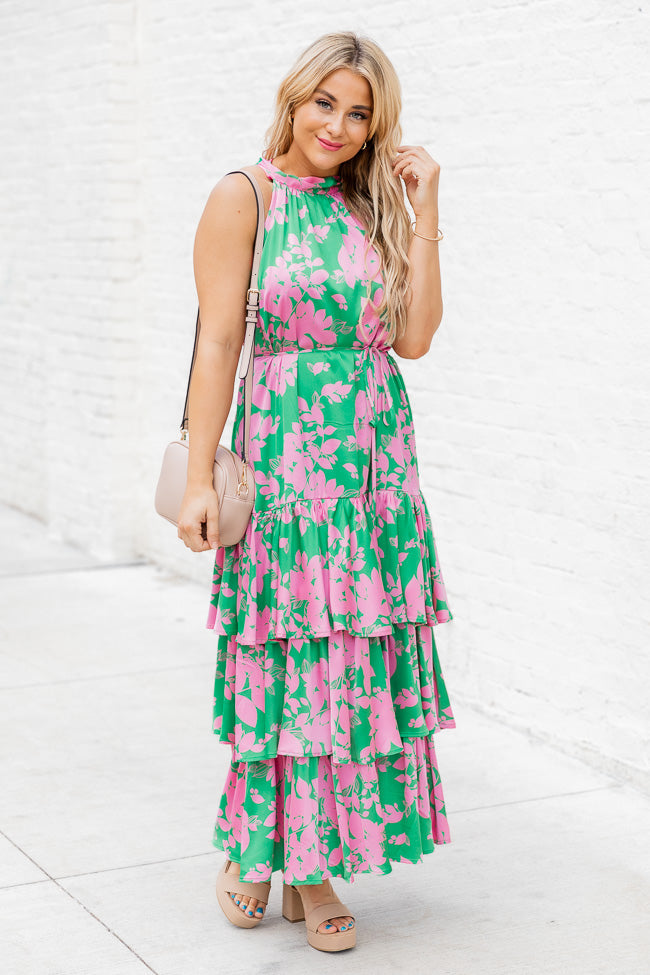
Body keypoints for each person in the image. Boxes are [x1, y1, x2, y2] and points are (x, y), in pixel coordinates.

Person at [177, 29, 456, 953]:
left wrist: (425, 210)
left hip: (372, 470)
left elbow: (411, 339)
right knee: (290, 659)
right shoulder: (244, 196)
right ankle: (286, 858)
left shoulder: (367, 202)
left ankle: (300, 857)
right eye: (324, 102)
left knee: (351, 666)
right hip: (288, 471)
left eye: (360, 112)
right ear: (294, 98)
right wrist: (198, 477)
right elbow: (218, 342)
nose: (338, 125)